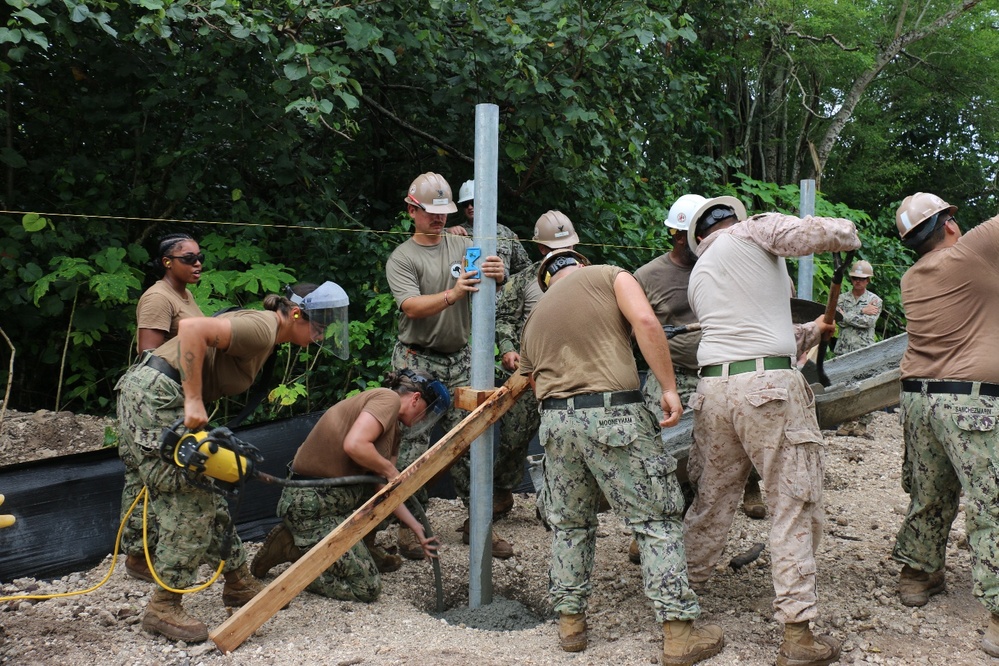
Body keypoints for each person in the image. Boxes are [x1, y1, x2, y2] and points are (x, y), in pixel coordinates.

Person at [519, 249, 724, 665]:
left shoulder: (534, 318)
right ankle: (679, 633)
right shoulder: (608, 274)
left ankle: (571, 625)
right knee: (655, 521)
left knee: (570, 525)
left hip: (556, 424)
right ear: (580, 263)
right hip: (614, 414)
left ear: (546, 282)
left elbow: (527, 379)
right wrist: (668, 387)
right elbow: (646, 322)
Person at [115, 281, 349, 643]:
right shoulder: (263, 327)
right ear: (297, 314)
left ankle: (237, 582)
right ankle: (163, 606)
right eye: (318, 325)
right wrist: (193, 400)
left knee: (204, 487)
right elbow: (192, 328)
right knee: (192, 496)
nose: (321, 334)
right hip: (159, 397)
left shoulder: (270, 335)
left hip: (154, 392)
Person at [681, 195, 859, 666]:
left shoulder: (701, 274)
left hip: (714, 390)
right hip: (769, 391)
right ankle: (798, 635)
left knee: (711, 500)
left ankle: (680, 606)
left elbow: (750, 333)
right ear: (733, 221)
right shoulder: (752, 230)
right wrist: (847, 231)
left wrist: (809, 332)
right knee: (793, 499)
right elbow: (807, 235)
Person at [888, 192, 999, 658]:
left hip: (918, 399)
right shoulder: (972, 252)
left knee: (930, 491)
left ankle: (918, 571)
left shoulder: (912, 277)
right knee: (993, 502)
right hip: (969, 404)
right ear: (949, 222)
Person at [385, 172, 513, 560]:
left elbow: (493, 279)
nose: (438, 218)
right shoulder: (403, 258)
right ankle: (413, 530)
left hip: (460, 358)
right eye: (430, 212)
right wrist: (453, 294)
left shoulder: (462, 242)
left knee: (472, 441)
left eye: (444, 211)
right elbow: (410, 306)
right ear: (412, 210)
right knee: (412, 447)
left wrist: (499, 275)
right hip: (416, 361)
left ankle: (479, 526)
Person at [634, 196, 767, 544]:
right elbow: (632, 330)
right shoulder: (648, 277)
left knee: (717, 447)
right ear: (680, 235)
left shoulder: (727, 263)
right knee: (657, 451)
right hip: (670, 375)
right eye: (697, 233)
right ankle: (653, 522)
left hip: (720, 372)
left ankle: (733, 495)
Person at [251, 370, 447, 600]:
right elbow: (355, 445)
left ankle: (360, 547)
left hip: (334, 499)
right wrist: (391, 470)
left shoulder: (394, 430)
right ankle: (293, 551)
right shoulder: (387, 399)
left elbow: (385, 491)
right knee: (366, 588)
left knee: (387, 492)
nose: (423, 419)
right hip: (310, 504)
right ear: (415, 398)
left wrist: (417, 529)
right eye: (425, 411)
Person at [122, 233, 207, 583]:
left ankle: (144, 550)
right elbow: (149, 356)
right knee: (148, 475)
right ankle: (138, 555)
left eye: (200, 256)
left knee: (146, 475)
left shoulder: (184, 295)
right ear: (167, 262)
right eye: (188, 258)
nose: (197, 263)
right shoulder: (158, 298)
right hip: (154, 399)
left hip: (176, 393)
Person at [494, 210, 579, 520]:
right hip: (531, 373)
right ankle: (501, 493)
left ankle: (561, 502)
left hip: (575, 374)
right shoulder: (523, 281)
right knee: (515, 437)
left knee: (569, 439)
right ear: (542, 248)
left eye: (567, 248)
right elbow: (504, 318)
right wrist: (507, 348)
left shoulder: (587, 276)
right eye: (555, 249)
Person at [833, 259, 883, 437]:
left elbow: (868, 323)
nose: (858, 281)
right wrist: (860, 312)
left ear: (868, 280)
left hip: (864, 350)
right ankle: (846, 422)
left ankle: (862, 424)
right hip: (844, 349)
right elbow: (837, 318)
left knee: (865, 386)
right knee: (844, 386)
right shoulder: (842, 298)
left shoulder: (875, 301)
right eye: (855, 278)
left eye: (862, 279)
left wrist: (848, 317)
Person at [454, 179, 533, 279]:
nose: (470, 207)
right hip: (466, 292)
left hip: (500, 292)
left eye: (473, 202)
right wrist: (447, 231)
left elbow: (525, 269)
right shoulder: (457, 233)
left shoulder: (506, 233)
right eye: (465, 204)